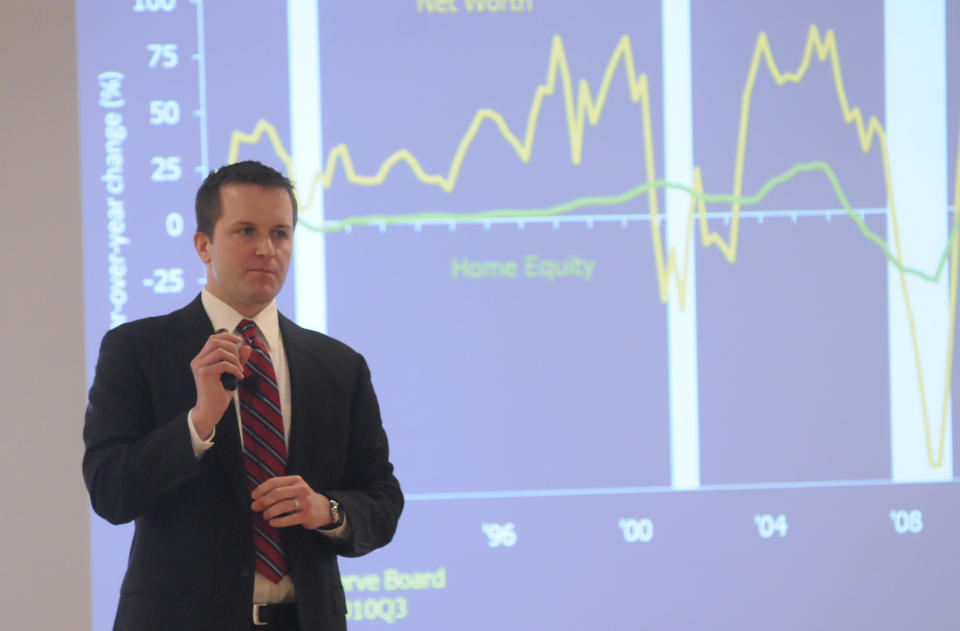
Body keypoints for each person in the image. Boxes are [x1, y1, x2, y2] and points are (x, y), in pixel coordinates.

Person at [83, 160, 403, 631]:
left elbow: (382, 498)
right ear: (203, 245)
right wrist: (198, 423)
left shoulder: (339, 365)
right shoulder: (136, 349)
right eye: (245, 231)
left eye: (280, 233)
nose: (266, 250)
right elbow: (111, 492)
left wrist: (325, 510)